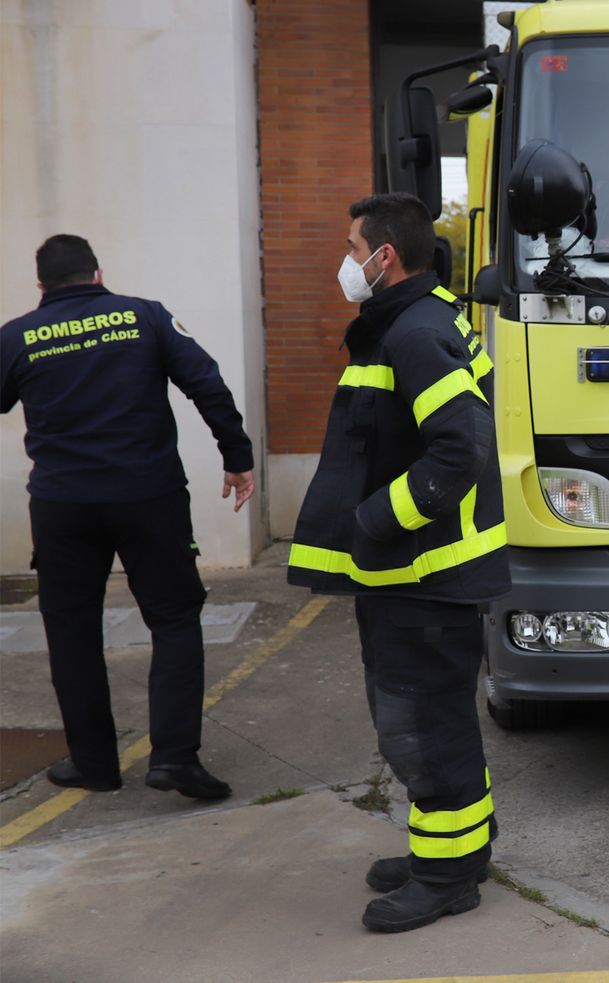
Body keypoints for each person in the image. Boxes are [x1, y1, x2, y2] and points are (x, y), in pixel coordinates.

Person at [286, 194, 509, 934]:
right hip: (417, 577)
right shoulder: (418, 319)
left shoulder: (412, 333)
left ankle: (446, 878)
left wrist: (375, 522)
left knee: (419, 728)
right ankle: (456, 849)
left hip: (424, 577)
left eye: (354, 247)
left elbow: (460, 448)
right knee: (438, 723)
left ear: (386, 256)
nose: (346, 261)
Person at [1, 234, 253, 800]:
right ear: (98, 272)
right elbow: (206, 385)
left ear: (41, 285)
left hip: (63, 506)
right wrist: (236, 459)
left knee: (71, 631)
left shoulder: (16, 337)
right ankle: (174, 760)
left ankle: (94, 765)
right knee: (174, 618)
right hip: (149, 497)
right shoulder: (145, 317)